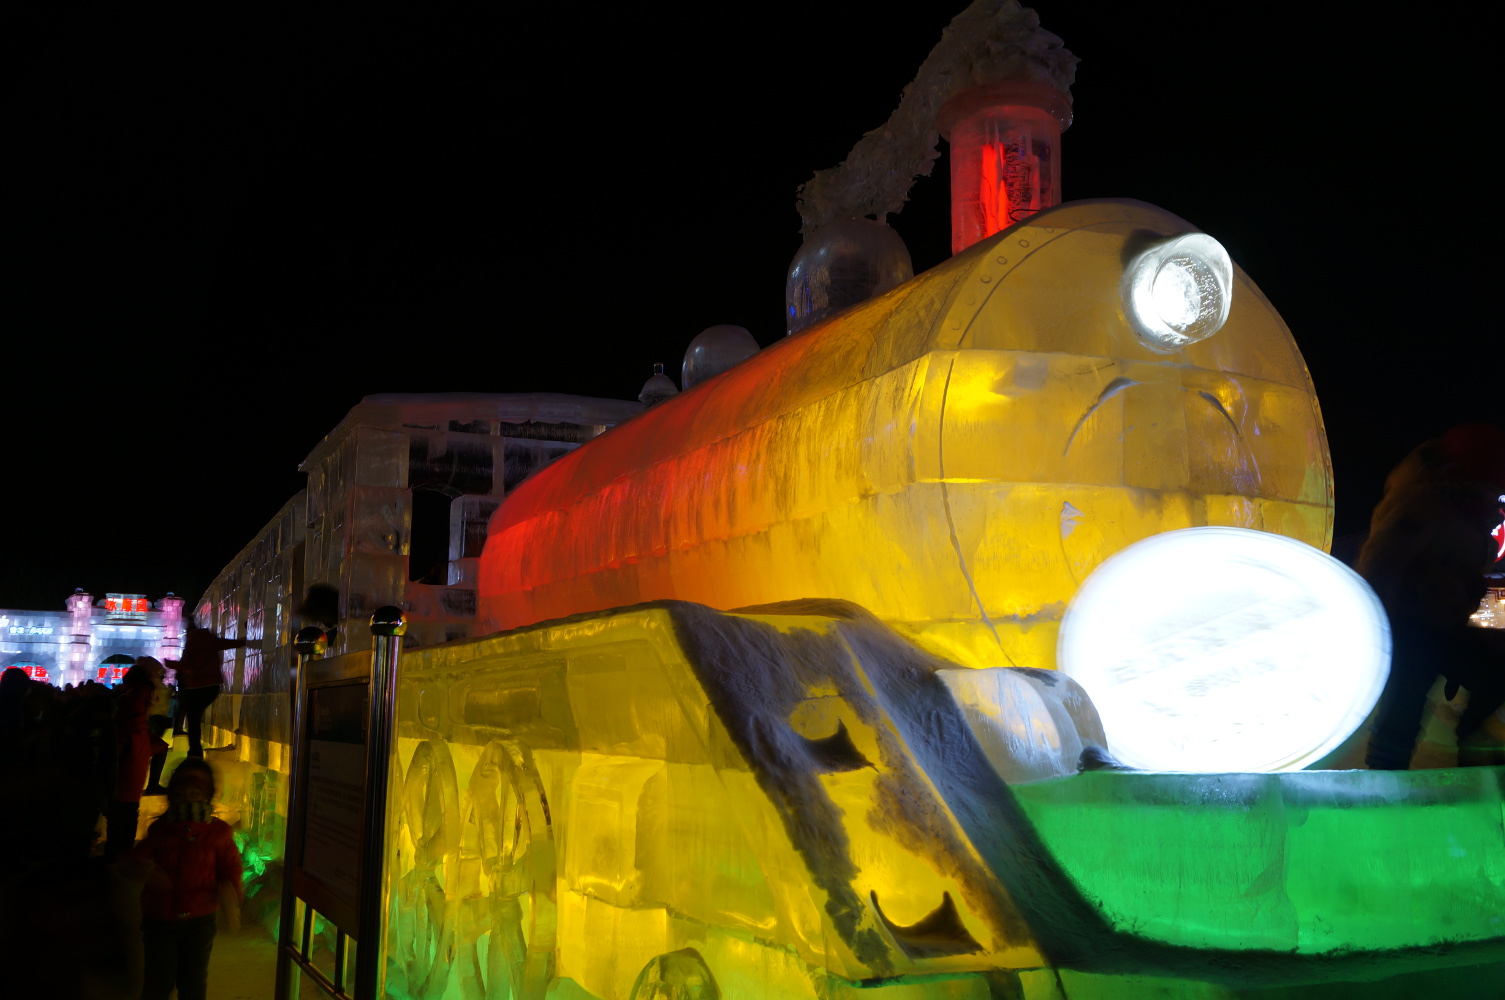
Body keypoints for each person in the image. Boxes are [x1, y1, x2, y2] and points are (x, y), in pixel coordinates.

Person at [1359, 423, 1505, 769]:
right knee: (1405, 704)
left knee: (1486, 676)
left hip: (1440, 624)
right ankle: (1385, 781)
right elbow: (1381, 561)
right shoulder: (1422, 505)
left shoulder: (1464, 513)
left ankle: (1477, 753)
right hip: (1409, 624)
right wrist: (1373, 627)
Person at [126, 758, 242, 1000]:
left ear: (207, 795)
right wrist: (142, 869)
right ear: (172, 796)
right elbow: (135, 861)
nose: (188, 798)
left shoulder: (218, 833)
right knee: (158, 980)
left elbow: (230, 867)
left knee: (193, 981)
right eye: (181, 793)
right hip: (160, 919)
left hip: (199, 921)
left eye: (195, 792)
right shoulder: (160, 830)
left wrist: (230, 894)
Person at [105, 661, 156, 860]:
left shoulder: (131, 701)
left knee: (119, 820)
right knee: (125, 820)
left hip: (127, 769)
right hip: (131, 769)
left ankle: (114, 862)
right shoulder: (137, 702)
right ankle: (119, 863)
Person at [177, 622, 247, 757]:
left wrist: (171, 664)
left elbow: (185, 664)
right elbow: (235, 643)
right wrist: (248, 631)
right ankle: (195, 752)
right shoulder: (211, 640)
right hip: (212, 686)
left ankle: (195, 752)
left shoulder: (191, 643)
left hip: (195, 687)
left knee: (193, 719)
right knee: (195, 716)